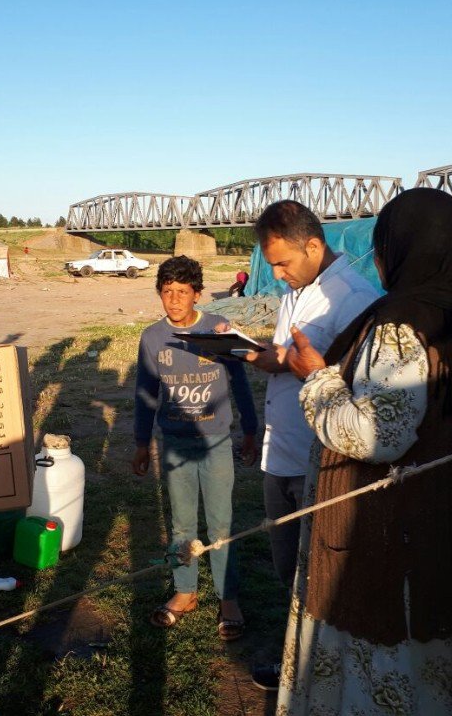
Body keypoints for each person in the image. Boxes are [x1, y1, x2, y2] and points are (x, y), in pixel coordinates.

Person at [277, 188, 452, 715]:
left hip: (391, 530)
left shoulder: (401, 323)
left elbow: (376, 437)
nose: (380, 260)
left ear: (403, 248)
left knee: (390, 645)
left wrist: (315, 377)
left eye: (383, 246)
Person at [237, 200, 379, 689]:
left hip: (324, 459)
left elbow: (366, 385)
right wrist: (268, 357)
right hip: (281, 451)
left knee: (325, 573)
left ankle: (327, 670)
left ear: (314, 245)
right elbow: (294, 356)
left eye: (283, 263)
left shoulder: (356, 298)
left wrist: (293, 364)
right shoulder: (297, 291)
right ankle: (298, 657)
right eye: (271, 263)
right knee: (288, 570)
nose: (276, 275)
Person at [132, 255, 258, 640]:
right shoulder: (152, 338)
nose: (173, 300)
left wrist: (250, 430)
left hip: (217, 442)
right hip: (174, 445)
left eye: (182, 293)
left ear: (197, 294)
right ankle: (185, 591)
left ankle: (228, 598)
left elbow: (240, 384)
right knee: (183, 524)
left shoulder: (218, 332)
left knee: (221, 523)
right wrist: (141, 442)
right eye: (167, 292)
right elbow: (145, 394)